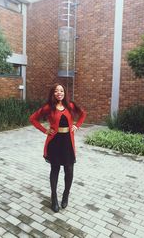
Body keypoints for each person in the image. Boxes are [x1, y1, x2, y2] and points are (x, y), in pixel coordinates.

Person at [29, 83, 86, 212]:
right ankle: (54, 198)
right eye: (56, 91)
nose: (59, 93)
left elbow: (83, 114)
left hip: (67, 142)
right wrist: (45, 130)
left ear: (64, 93)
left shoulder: (70, 105)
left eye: (61, 90)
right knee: (55, 170)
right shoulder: (49, 107)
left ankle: (65, 196)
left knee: (69, 170)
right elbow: (33, 119)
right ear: (53, 93)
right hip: (54, 142)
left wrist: (77, 125)